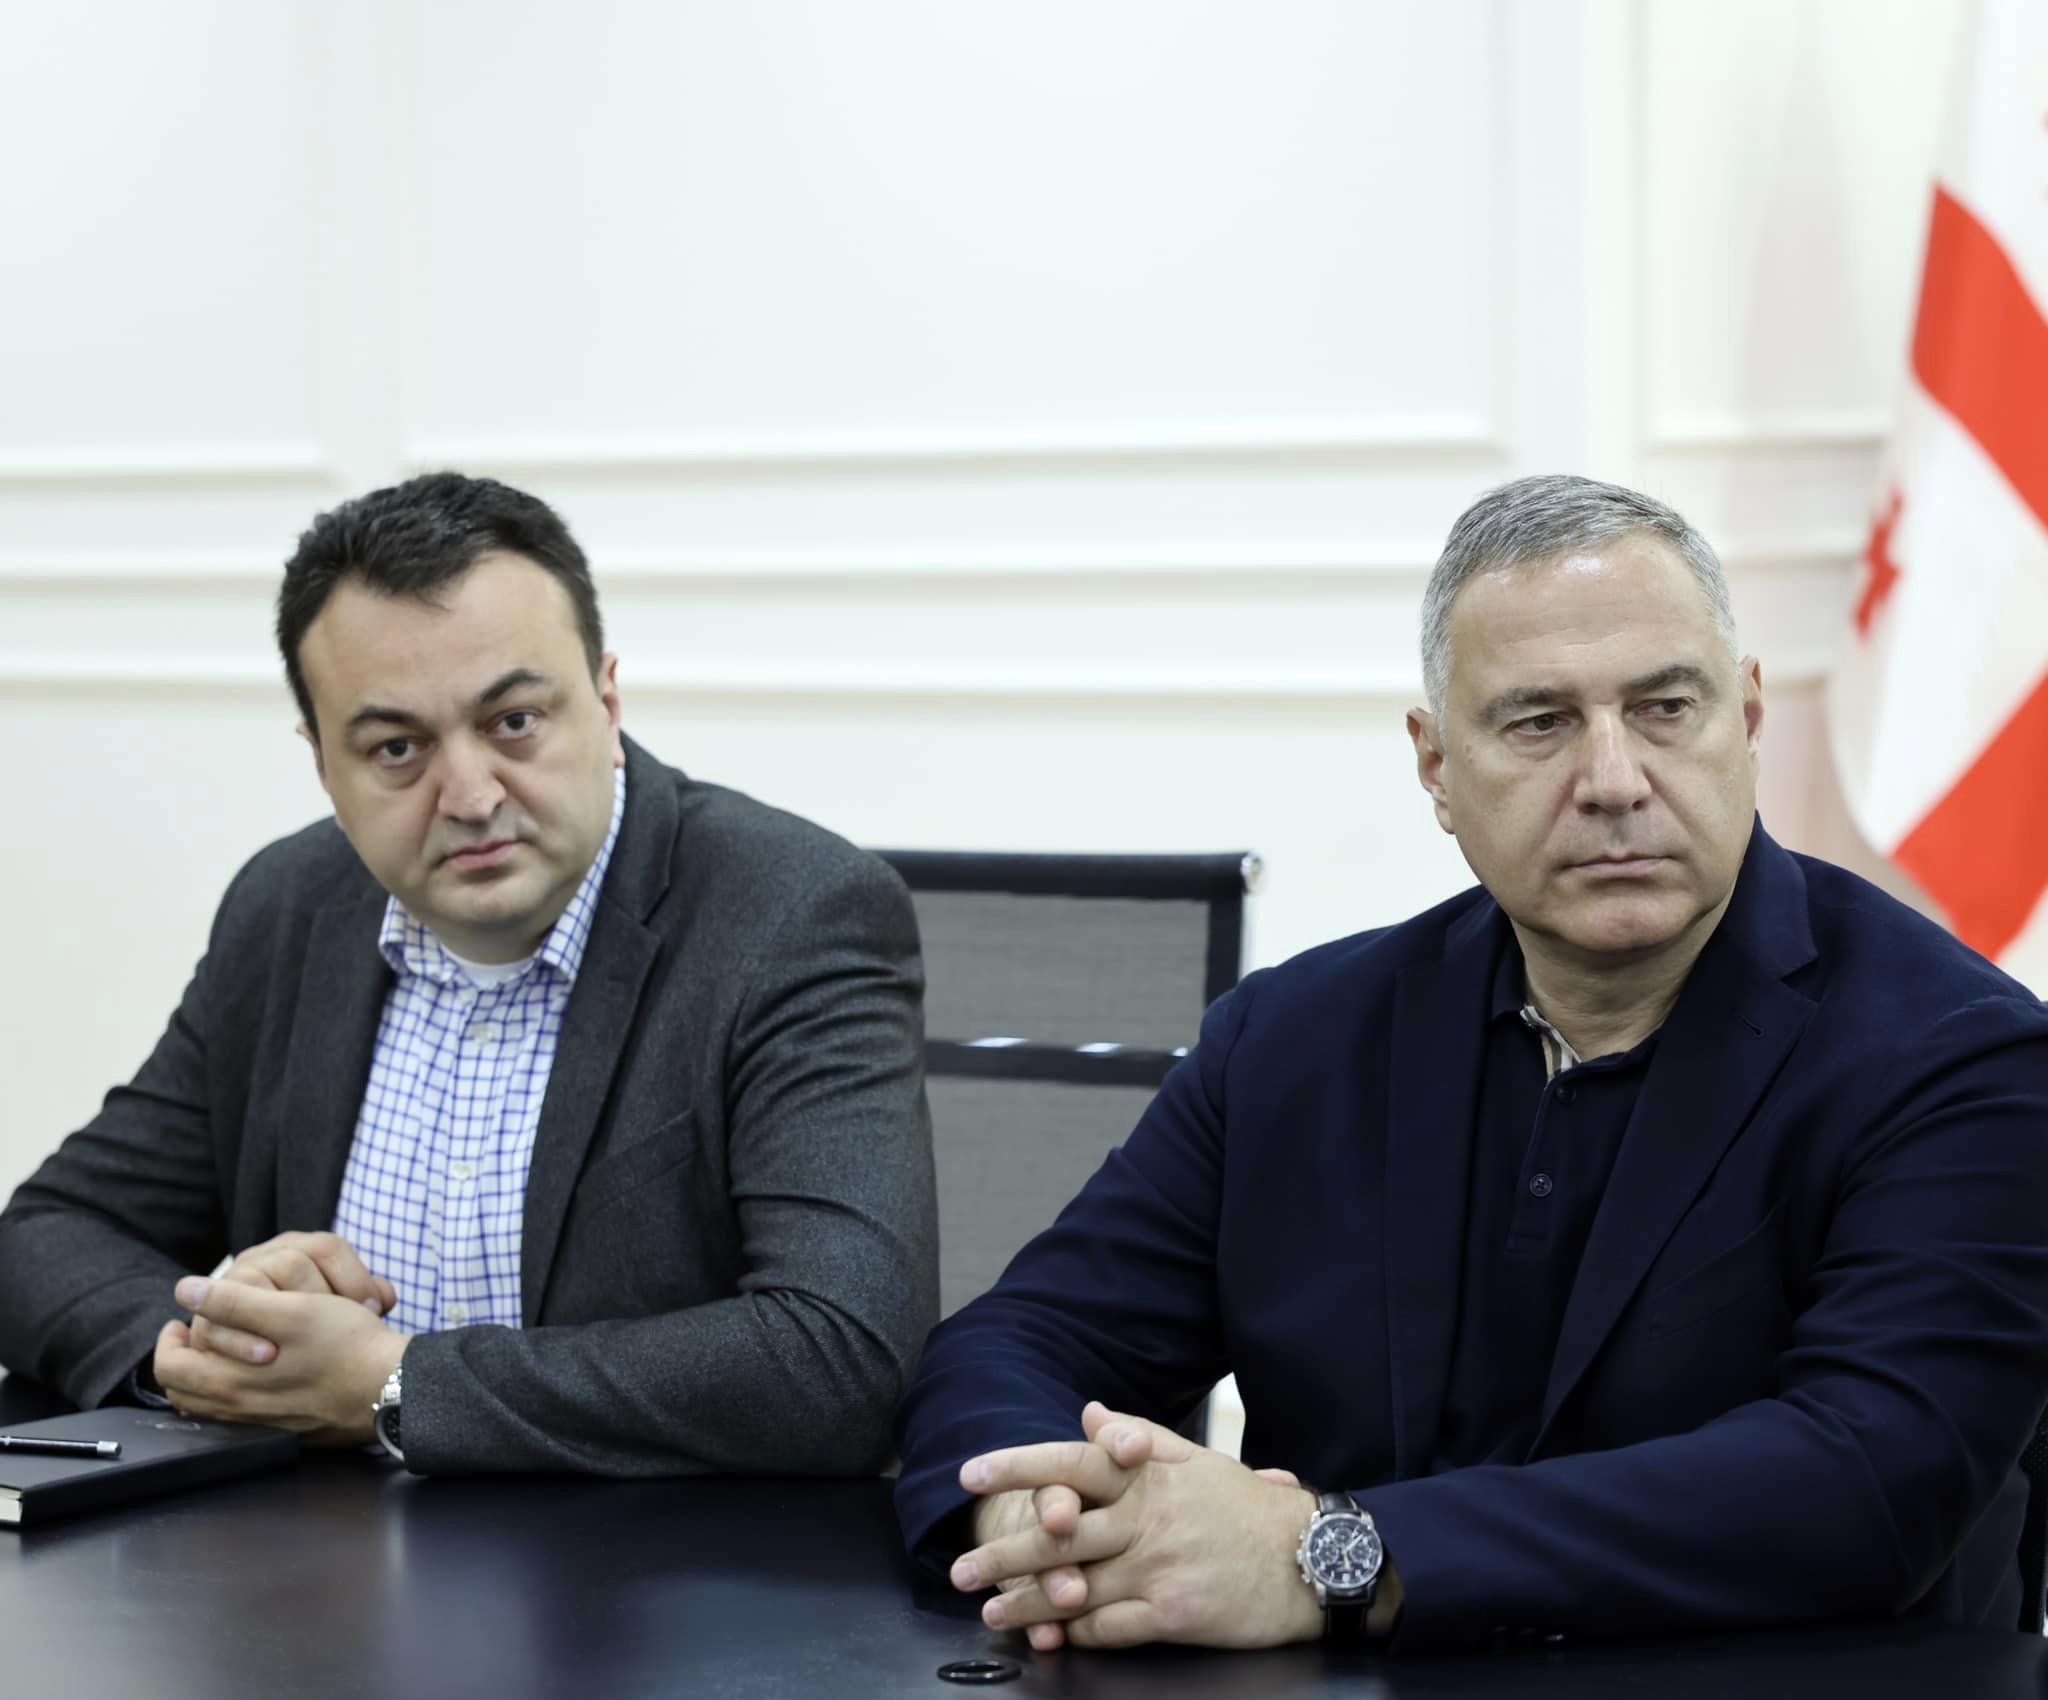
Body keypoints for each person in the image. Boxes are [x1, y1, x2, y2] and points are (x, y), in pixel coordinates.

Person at [893, 474, 2048, 1650]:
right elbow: (1019, 1338)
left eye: (1663, 707)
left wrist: (1328, 1553)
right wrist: (1037, 1513)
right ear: (1436, 765)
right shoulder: (1286, 1041)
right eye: (1538, 721)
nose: (1612, 779)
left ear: (1745, 721)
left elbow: (1868, 1480)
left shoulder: (1958, 1055)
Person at [0, 471, 938, 1477]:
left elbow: (840, 1354)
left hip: (642, 1559)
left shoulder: (791, 913)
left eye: (514, 721)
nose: (470, 794)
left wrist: (394, 1384)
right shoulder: (289, 908)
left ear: (605, 699)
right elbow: (47, 1234)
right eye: (397, 747)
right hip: (306, 1555)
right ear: (323, 764)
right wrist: (219, 1356)